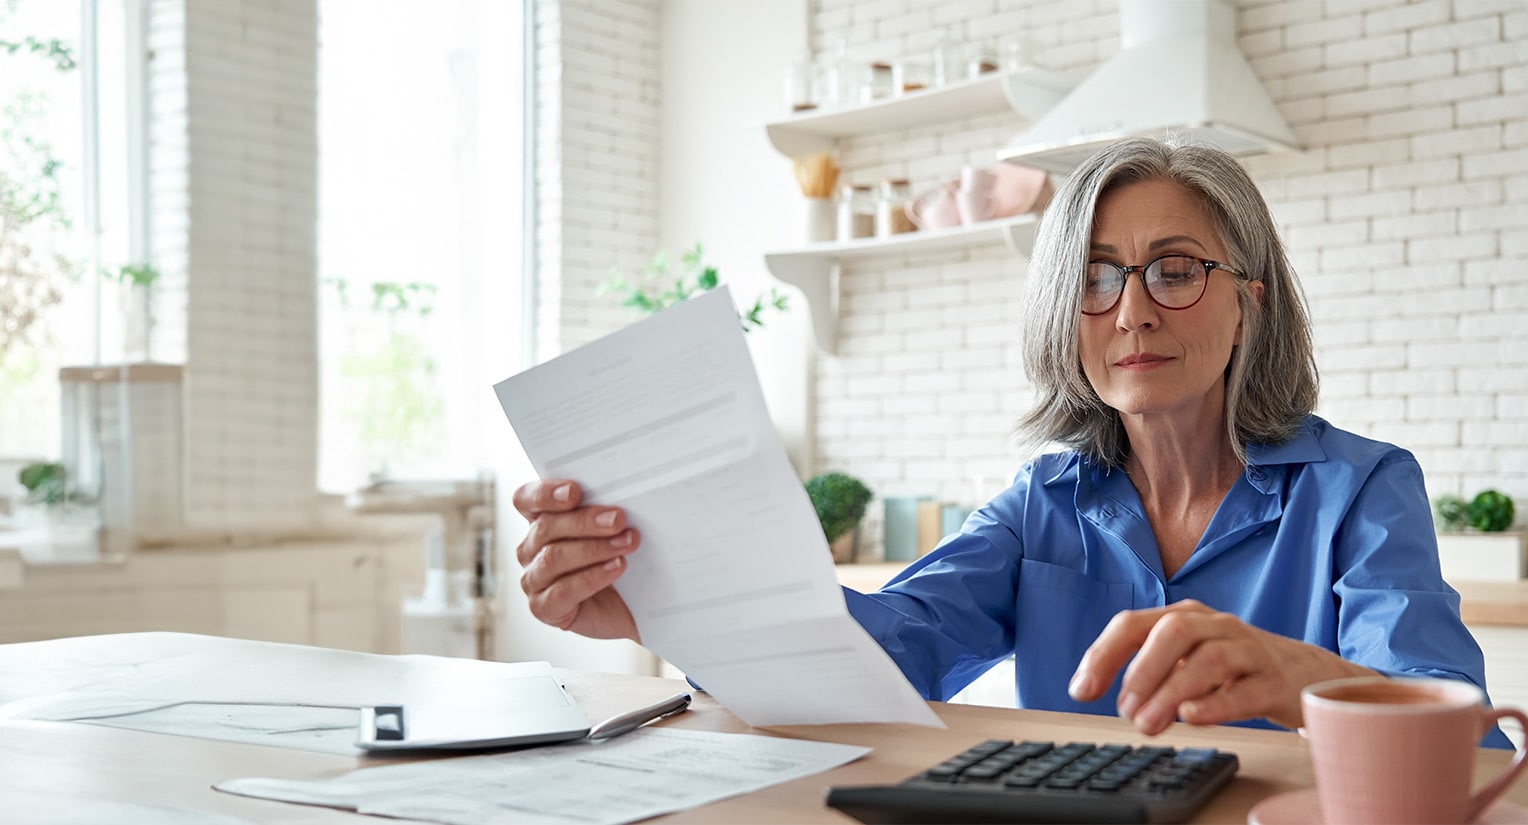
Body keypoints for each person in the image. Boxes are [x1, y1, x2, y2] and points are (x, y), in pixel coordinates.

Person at [513, 137, 1509, 748]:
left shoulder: (1361, 489)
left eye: (1173, 271)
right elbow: (883, 654)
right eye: (1094, 277)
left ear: (1248, 304)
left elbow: (1466, 737)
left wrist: (1298, 680)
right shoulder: (1044, 503)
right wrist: (662, 603)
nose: (1131, 313)